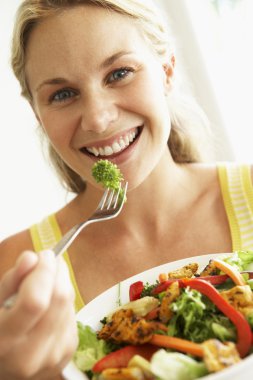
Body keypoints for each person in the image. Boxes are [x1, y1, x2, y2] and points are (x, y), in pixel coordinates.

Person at [1, 0, 253, 378]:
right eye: (63, 94)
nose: (99, 119)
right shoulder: (15, 269)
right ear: (38, 113)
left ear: (167, 70)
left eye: (119, 73)